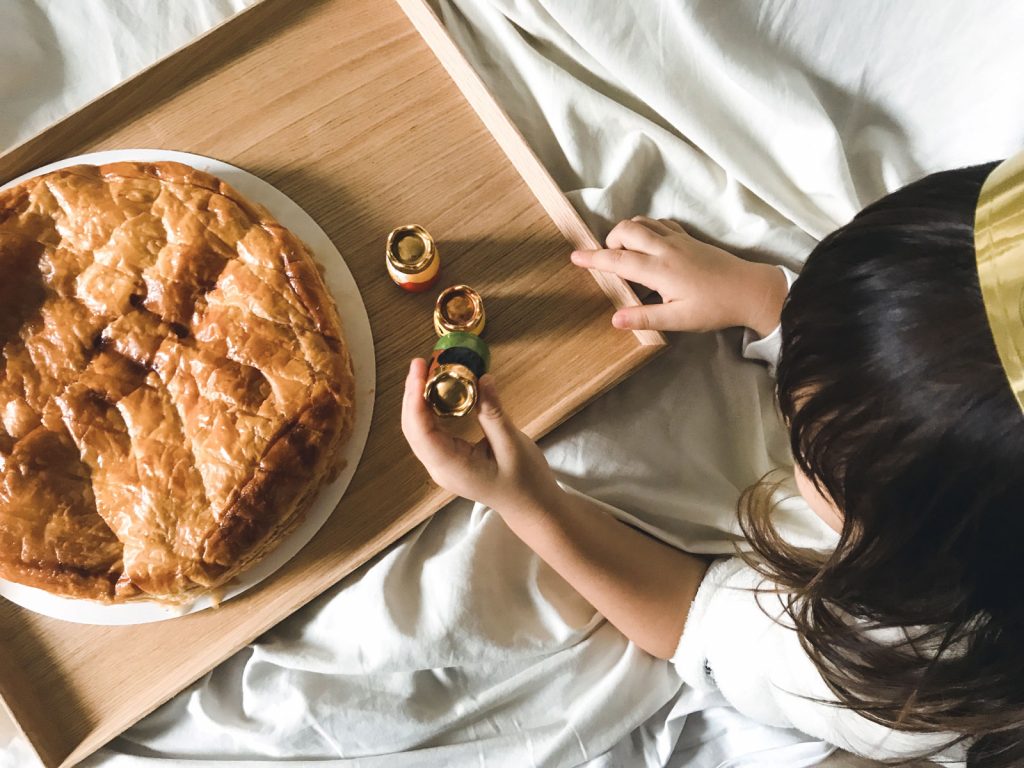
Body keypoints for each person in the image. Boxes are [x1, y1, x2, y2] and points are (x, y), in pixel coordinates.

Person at [401, 154, 1024, 766]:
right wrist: (769, 299)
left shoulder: (908, 682)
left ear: (917, 554)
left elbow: (696, 619)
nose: (787, 406)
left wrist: (525, 501)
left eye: (812, 446)